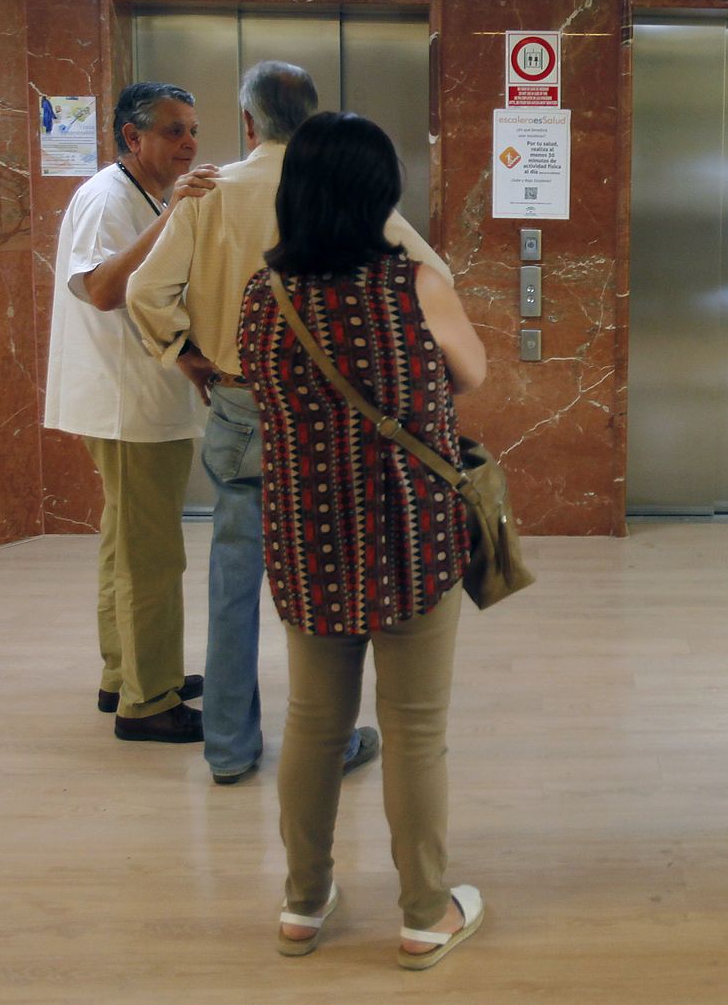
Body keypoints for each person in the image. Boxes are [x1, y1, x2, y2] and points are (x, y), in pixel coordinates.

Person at [126, 61, 455, 785]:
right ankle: (331, 745)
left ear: (247, 124)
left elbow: (146, 291)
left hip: (241, 403)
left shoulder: (209, 193)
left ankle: (229, 749)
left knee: (233, 577)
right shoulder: (342, 192)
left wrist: (187, 355)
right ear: (312, 118)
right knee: (327, 577)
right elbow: (435, 277)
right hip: (331, 418)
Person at [237, 112, 487, 968]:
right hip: (410, 530)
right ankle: (424, 913)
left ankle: (303, 903)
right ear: (384, 194)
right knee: (415, 728)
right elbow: (473, 373)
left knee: (313, 723)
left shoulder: (262, 296)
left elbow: (260, 394)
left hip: (308, 533)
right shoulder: (413, 285)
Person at [43, 82, 219, 742]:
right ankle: (150, 702)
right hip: (124, 404)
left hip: (138, 394)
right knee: (151, 555)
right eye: (174, 130)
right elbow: (103, 288)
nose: (189, 142)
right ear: (131, 137)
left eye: (193, 129)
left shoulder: (140, 195)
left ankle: (127, 674)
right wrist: (172, 213)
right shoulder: (105, 197)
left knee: (126, 543)